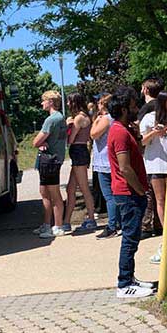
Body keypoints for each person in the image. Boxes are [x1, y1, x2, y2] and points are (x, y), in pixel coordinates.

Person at [107, 87, 155, 299]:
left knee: (132, 237)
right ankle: (124, 283)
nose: (137, 109)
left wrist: (136, 135)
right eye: (134, 106)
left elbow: (137, 154)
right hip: (128, 194)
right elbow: (125, 168)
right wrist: (141, 190)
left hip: (130, 193)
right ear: (125, 108)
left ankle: (130, 277)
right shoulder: (118, 132)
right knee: (130, 238)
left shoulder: (124, 130)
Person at [139, 90, 167, 234]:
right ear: (163, 101)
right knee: (161, 199)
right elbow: (142, 141)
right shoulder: (148, 118)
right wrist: (154, 132)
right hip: (156, 165)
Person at [33, 90, 66, 239]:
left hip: (50, 160)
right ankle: (47, 224)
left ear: (51, 102)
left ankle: (57, 226)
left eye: (44, 100)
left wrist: (41, 142)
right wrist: (42, 142)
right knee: (44, 192)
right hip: (52, 159)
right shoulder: (60, 118)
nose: (42, 103)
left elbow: (35, 141)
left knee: (54, 194)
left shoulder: (51, 120)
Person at [64, 93, 98, 233]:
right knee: (70, 189)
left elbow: (70, 140)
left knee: (84, 188)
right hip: (80, 152)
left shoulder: (78, 118)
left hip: (78, 151)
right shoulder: (84, 116)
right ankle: (66, 221)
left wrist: (67, 126)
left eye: (68, 102)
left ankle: (91, 218)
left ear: (74, 102)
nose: (67, 104)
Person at [92, 94, 121, 239]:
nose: (97, 104)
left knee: (109, 196)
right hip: (111, 160)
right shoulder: (115, 118)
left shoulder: (105, 119)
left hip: (104, 162)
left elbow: (93, 134)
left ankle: (112, 226)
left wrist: (95, 121)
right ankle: (119, 223)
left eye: (99, 102)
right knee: (116, 194)